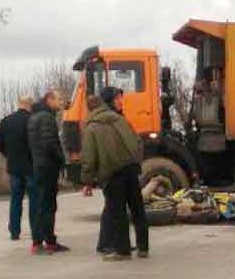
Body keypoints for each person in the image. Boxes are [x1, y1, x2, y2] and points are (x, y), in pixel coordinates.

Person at [81, 95, 149, 261]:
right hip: (131, 168)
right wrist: (136, 161)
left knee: (118, 212)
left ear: (89, 109)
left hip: (112, 173)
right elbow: (137, 141)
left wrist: (87, 181)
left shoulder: (91, 128)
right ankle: (143, 248)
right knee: (137, 208)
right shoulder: (119, 119)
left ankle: (123, 251)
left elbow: (89, 158)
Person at [27, 90, 69, 255]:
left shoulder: (34, 116)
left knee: (42, 205)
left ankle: (43, 241)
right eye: (58, 99)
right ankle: (45, 242)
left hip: (39, 166)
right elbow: (50, 144)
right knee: (47, 206)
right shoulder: (46, 118)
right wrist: (62, 160)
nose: (60, 102)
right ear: (49, 99)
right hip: (47, 168)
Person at [0, 96, 38, 241]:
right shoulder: (33, 120)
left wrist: (10, 155)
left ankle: (14, 232)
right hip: (31, 167)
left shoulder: (6, 121)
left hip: (14, 167)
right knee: (34, 200)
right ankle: (35, 231)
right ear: (30, 105)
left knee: (15, 200)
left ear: (19, 104)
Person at [96, 87, 125, 254]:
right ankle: (105, 244)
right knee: (112, 206)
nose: (121, 101)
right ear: (110, 101)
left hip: (118, 167)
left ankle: (117, 241)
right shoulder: (107, 120)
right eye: (118, 99)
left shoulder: (116, 117)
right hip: (110, 169)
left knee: (117, 206)